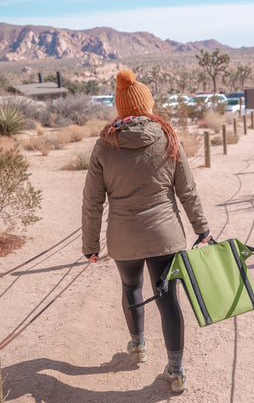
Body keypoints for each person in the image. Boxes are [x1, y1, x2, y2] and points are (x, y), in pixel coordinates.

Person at [82, 69, 211, 394]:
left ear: (121, 108)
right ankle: (176, 371)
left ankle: (138, 345)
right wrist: (202, 228)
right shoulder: (167, 136)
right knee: (169, 301)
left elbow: (92, 201)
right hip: (165, 236)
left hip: (123, 238)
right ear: (147, 105)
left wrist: (90, 245)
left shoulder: (105, 144)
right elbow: (188, 191)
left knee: (131, 288)